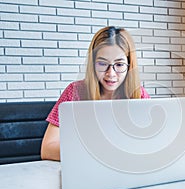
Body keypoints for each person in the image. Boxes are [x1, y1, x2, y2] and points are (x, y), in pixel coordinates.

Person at [41, 26, 150, 161]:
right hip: (85, 169)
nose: (111, 73)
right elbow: (47, 149)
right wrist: (97, 153)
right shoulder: (74, 92)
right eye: (102, 64)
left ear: (130, 65)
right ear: (93, 64)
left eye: (120, 64)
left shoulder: (139, 95)